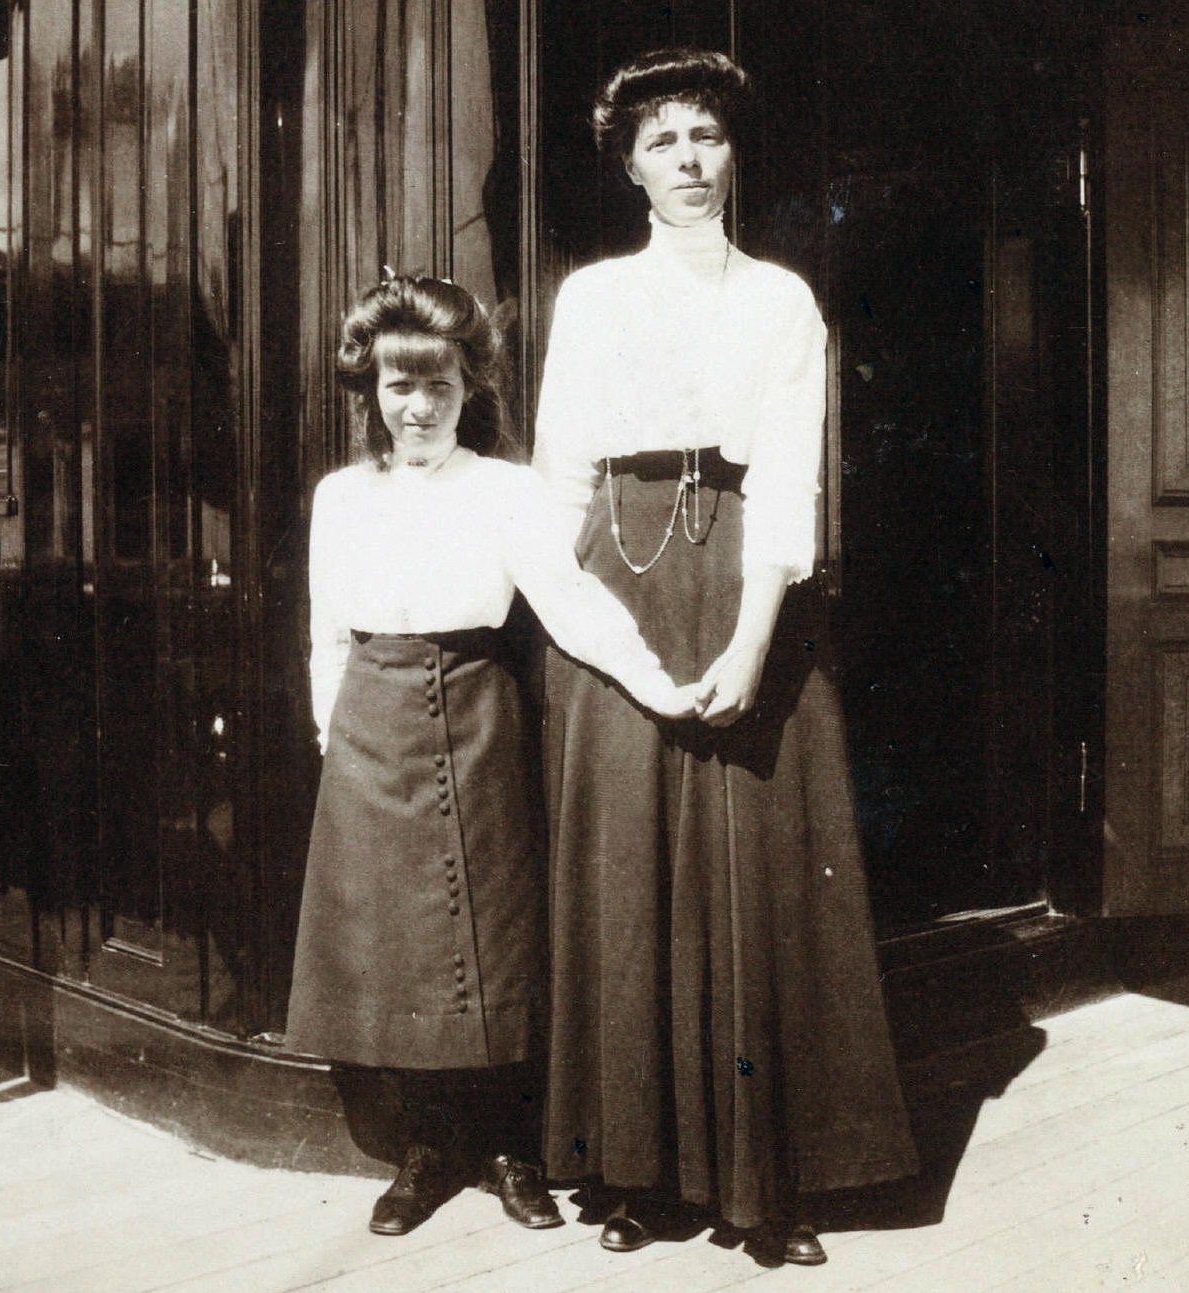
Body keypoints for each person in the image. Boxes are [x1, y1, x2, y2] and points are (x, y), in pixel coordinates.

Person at [532, 48, 921, 1267]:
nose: (690, 162)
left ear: (733, 151)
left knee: (757, 876)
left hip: (747, 581)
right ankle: (643, 1174)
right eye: (663, 143)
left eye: (706, 136)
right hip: (620, 586)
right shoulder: (590, 298)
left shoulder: (780, 299)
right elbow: (561, 487)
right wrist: (622, 654)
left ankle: (768, 1181)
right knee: (632, 876)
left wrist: (755, 641)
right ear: (628, 167)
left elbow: (790, 482)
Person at [285, 274, 696, 1238]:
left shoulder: (507, 490)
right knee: (397, 950)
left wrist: (659, 682)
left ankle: (514, 1152)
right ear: (369, 392)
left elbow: (572, 603)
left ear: (469, 387)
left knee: (500, 937)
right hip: (369, 735)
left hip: (480, 718)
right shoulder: (338, 497)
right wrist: (332, 741)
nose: (418, 407)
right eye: (398, 386)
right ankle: (429, 1154)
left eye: (438, 385)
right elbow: (325, 640)